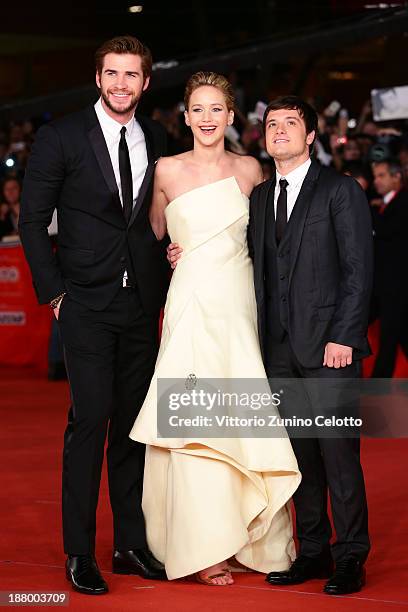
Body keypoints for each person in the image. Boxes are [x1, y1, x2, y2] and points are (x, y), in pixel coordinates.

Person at [169, 94, 374, 596]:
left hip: (329, 349)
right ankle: (312, 550)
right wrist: (182, 251)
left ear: (310, 137)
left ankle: (349, 556)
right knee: (300, 456)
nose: (279, 129)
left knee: (339, 456)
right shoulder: (259, 197)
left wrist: (344, 337)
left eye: (291, 123)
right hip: (277, 350)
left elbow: (358, 271)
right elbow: (241, 258)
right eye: (273, 123)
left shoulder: (339, 190)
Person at [130, 72, 301, 586]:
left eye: (216, 109)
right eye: (197, 109)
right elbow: (151, 238)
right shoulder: (164, 170)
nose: (207, 118)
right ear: (185, 117)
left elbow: (273, 237)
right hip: (189, 307)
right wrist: (169, 253)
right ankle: (203, 545)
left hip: (238, 308)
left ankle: (247, 535)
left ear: (231, 116)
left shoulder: (252, 169)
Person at [19, 35, 169, 595]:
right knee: (90, 423)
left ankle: (129, 544)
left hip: (140, 304)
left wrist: (171, 249)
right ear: (98, 78)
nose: (122, 84)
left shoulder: (157, 138)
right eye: (113, 74)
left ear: (145, 82)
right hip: (84, 303)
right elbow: (33, 222)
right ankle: (79, 552)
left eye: (132, 75)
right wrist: (56, 294)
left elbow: (161, 210)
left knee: (133, 430)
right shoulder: (61, 137)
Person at [370, 160, 408, 377]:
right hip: (387, 281)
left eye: (382, 175)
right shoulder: (385, 203)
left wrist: (371, 211)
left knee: (390, 332)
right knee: (399, 330)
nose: (377, 181)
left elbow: (387, 230)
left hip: (397, 281)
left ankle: (379, 381)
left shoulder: (403, 202)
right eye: (375, 176)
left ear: (396, 177)